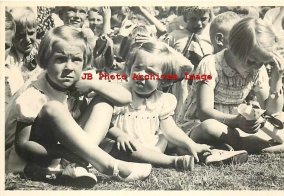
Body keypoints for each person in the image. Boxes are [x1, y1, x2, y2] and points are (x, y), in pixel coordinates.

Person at [5, 25, 152, 186]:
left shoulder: (78, 82)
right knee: (54, 108)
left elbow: (125, 98)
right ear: (46, 62)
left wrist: (93, 85)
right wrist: (66, 152)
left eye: (76, 60)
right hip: (35, 158)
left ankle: (78, 164)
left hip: (68, 154)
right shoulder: (33, 94)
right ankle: (110, 165)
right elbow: (23, 146)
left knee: (104, 101)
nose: (69, 67)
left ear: (84, 62)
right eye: (60, 59)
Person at [100, 41, 249, 171]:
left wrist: (191, 144)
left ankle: (211, 154)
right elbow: (104, 122)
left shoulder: (163, 100)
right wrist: (120, 135)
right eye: (137, 68)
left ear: (163, 81)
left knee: (178, 143)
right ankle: (174, 162)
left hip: (152, 145)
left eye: (150, 72)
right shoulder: (121, 92)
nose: (141, 75)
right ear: (129, 69)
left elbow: (170, 129)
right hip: (124, 145)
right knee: (132, 149)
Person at [177, 18, 284, 154]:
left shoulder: (257, 69)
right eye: (251, 61)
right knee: (210, 127)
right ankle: (265, 146)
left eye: (261, 63)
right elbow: (204, 112)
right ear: (233, 48)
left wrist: (276, 82)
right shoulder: (211, 64)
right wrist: (236, 122)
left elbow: (272, 112)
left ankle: (242, 143)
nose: (256, 66)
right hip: (203, 123)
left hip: (237, 124)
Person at [160, 7, 214, 118]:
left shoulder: (211, 38)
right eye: (193, 19)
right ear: (185, 18)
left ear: (209, 18)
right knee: (176, 113)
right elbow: (162, 59)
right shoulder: (174, 36)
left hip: (203, 84)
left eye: (203, 19)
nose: (198, 24)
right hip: (179, 85)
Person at [5, 7, 43, 103]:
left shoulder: (40, 50)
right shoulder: (9, 58)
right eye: (21, 35)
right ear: (13, 35)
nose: (27, 39)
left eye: (31, 33)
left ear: (36, 30)